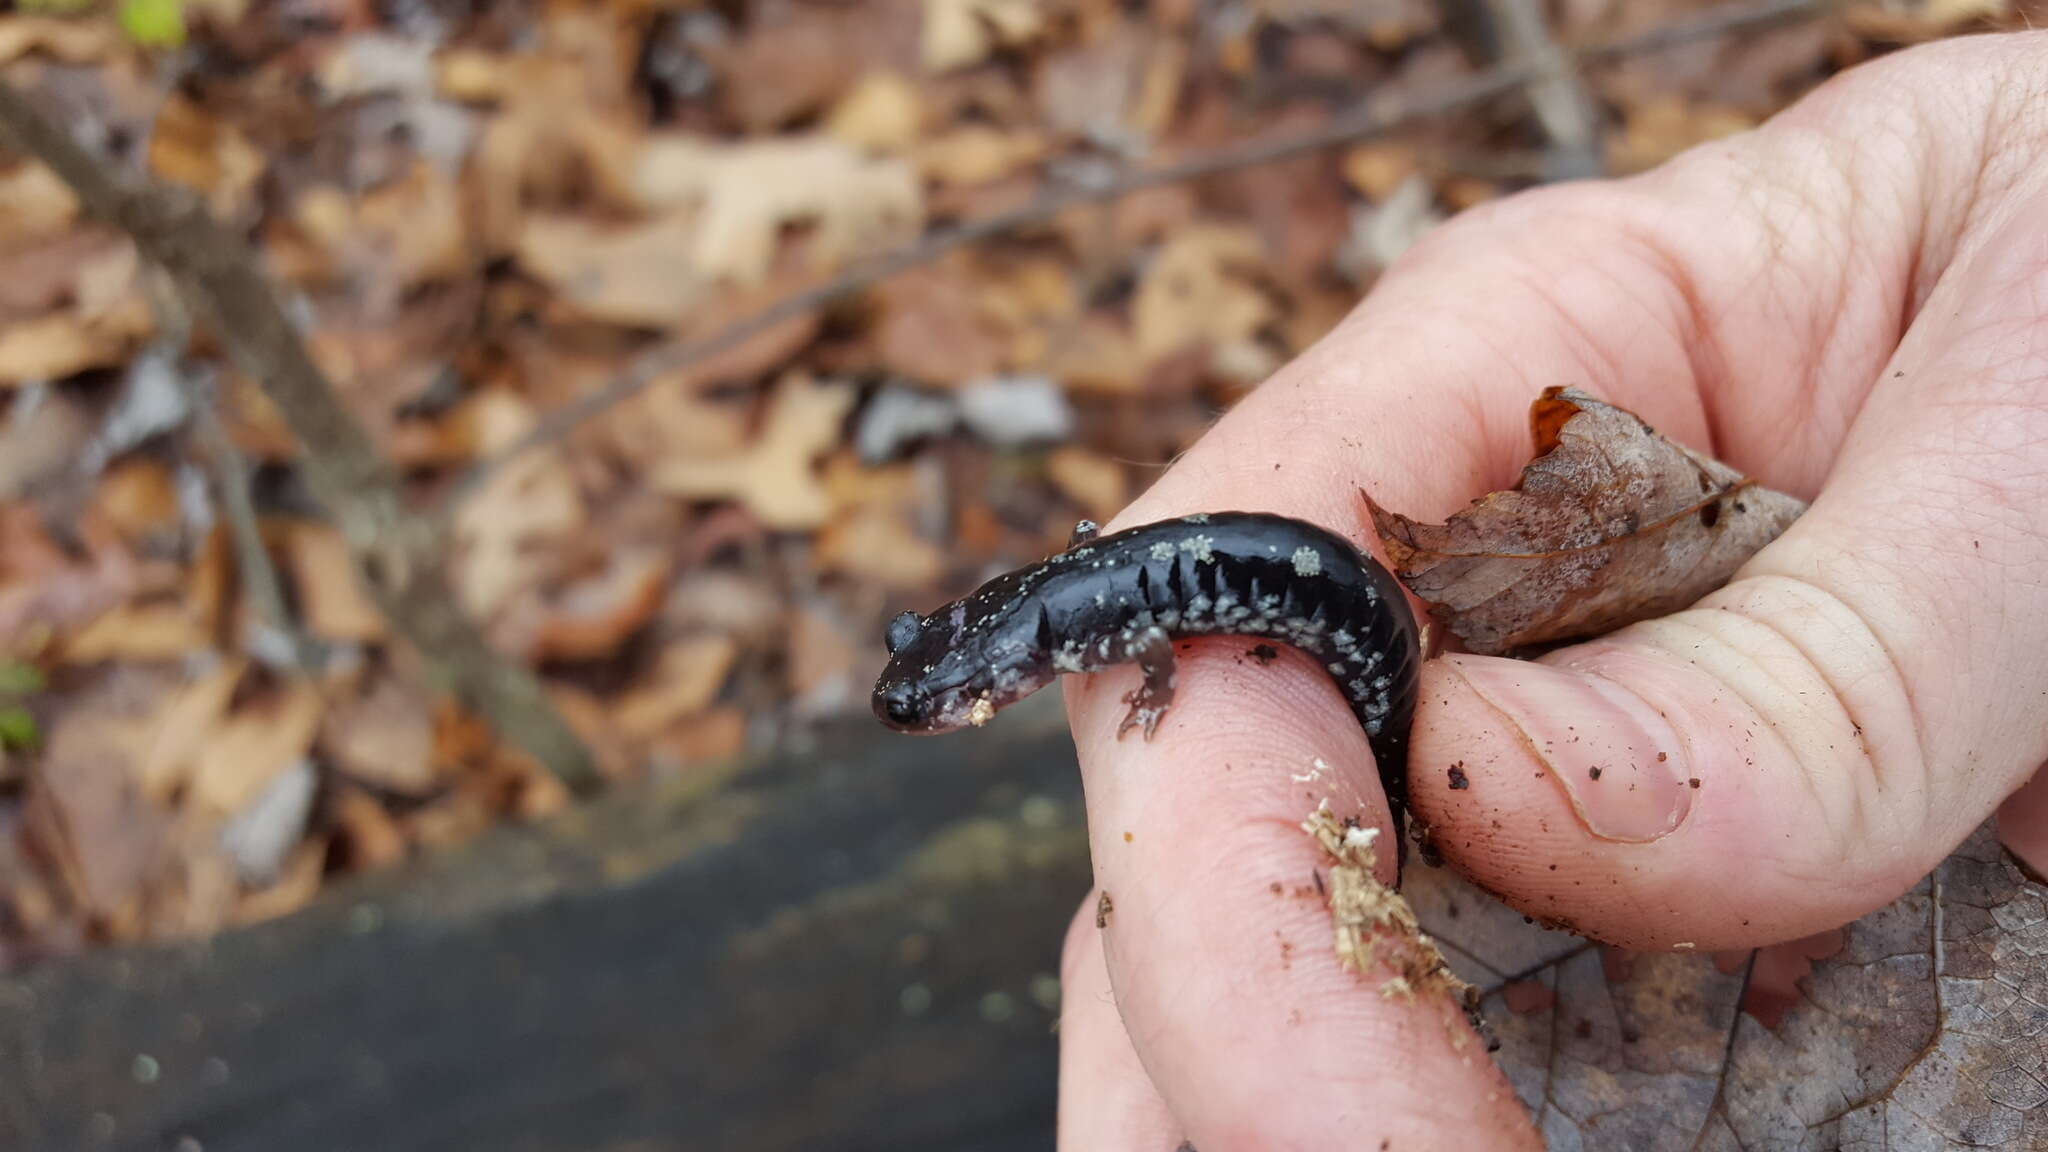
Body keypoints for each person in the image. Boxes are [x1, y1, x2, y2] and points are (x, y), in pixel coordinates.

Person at [1055, 31, 2048, 1148]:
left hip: (1364, 639)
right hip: (1339, 628)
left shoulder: (1092, 620)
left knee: (1403, 762)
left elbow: (1143, 622)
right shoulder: (1085, 609)